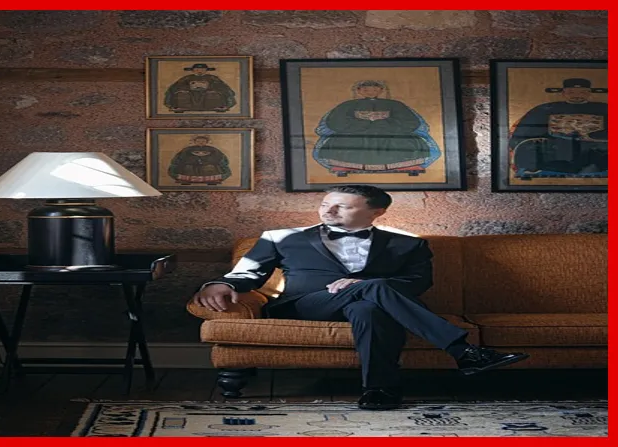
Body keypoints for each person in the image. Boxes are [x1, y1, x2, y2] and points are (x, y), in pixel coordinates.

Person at [193, 185, 529, 410]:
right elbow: (249, 273)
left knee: (370, 307)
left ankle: (379, 390)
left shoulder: (408, 244)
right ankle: (463, 351)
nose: (328, 211)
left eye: (342, 206)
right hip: (308, 305)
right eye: (325, 204)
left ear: (376, 212)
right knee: (372, 288)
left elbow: (418, 283)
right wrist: (218, 283)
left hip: (374, 306)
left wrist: (362, 284)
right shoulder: (281, 237)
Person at [313, 80, 441, 176]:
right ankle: (345, 166)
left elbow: (409, 121)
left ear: (380, 90)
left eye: (374, 89)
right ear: (359, 91)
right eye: (366, 90)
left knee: (405, 141)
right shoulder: (348, 105)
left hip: (389, 132)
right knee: (343, 141)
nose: (370, 92)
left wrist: (383, 123)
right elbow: (336, 121)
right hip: (355, 132)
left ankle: (405, 166)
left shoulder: (395, 104)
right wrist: (362, 124)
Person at [509, 78, 608, 178]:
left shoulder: (604, 108)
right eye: (571, 92)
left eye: (582, 92)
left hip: (594, 153)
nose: (577, 96)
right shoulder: (545, 109)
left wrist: (593, 136)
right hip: (555, 152)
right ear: (563, 93)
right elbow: (525, 132)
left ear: (589, 93)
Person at [164, 63, 236, 113]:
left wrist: (209, 87)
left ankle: (218, 107)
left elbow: (222, 87)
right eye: (197, 69)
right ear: (193, 70)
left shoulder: (213, 78)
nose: (200, 71)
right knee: (182, 94)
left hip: (207, 93)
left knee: (213, 94)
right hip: (190, 93)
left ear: (206, 70)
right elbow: (175, 87)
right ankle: (179, 108)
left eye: (202, 69)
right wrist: (190, 87)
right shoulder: (186, 78)